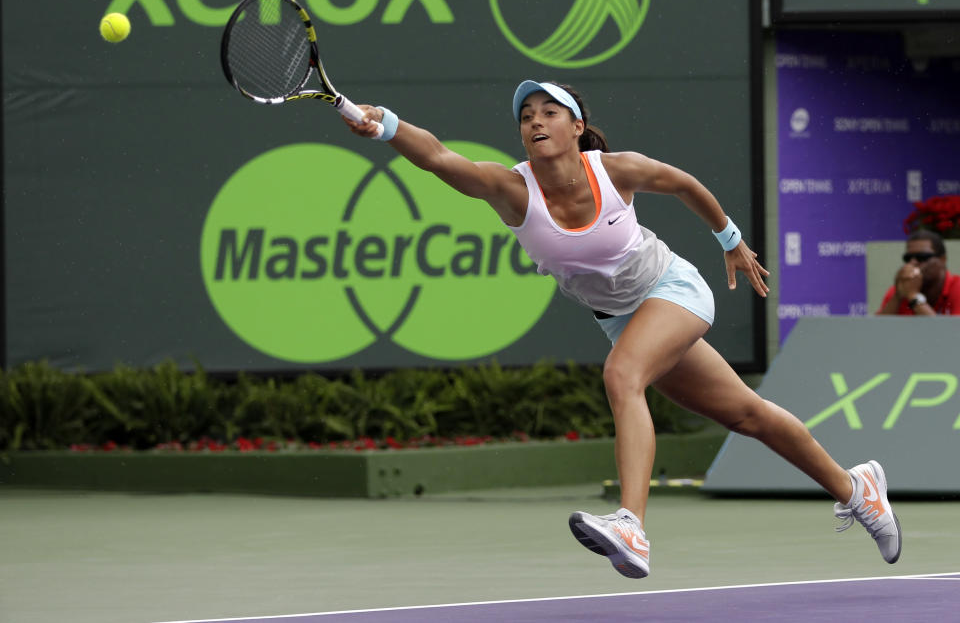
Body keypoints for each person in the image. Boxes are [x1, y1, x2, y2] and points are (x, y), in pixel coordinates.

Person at [343, 80, 901, 578]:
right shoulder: (512, 191)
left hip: (675, 291)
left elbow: (682, 183)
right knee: (748, 414)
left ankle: (632, 525)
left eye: (548, 111)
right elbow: (439, 158)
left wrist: (730, 241)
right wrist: (384, 123)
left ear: (576, 127)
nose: (535, 121)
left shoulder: (614, 170)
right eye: (525, 115)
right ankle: (857, 488)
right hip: (621, 320)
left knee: (622, 376)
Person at [877, 229, 960, 316]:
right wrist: (897, 296)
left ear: (942, 260)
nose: (913, 263)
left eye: (922, 257)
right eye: (908, 258)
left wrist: (914, 296)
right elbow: (878, 328)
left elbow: (944, 329)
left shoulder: (957, 287)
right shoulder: (903, 289)